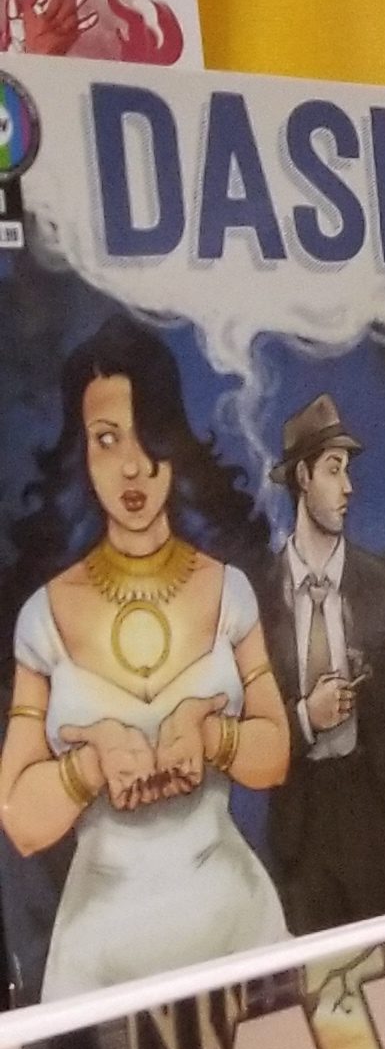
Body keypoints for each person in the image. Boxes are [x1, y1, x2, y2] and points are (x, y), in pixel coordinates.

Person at [0, 314, 292, 997]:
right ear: (83, 452)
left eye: (146, 434)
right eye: (106, 440)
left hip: (238, 930)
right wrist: (90, 765)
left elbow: (276, 754)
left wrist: (211, 735)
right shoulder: (43, 616)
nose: (130, 465)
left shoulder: (230, 590)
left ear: (175, 440)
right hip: (98, 962)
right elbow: (20, 821)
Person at [258, 396, 385, 939]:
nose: (349, 487)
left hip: (376, 805)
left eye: (348, 471)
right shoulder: (260, 597)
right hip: (300, 823)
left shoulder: (380, 582)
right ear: (302, 477)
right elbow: (246, 724)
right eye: (334, 470)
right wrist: (306, 718)